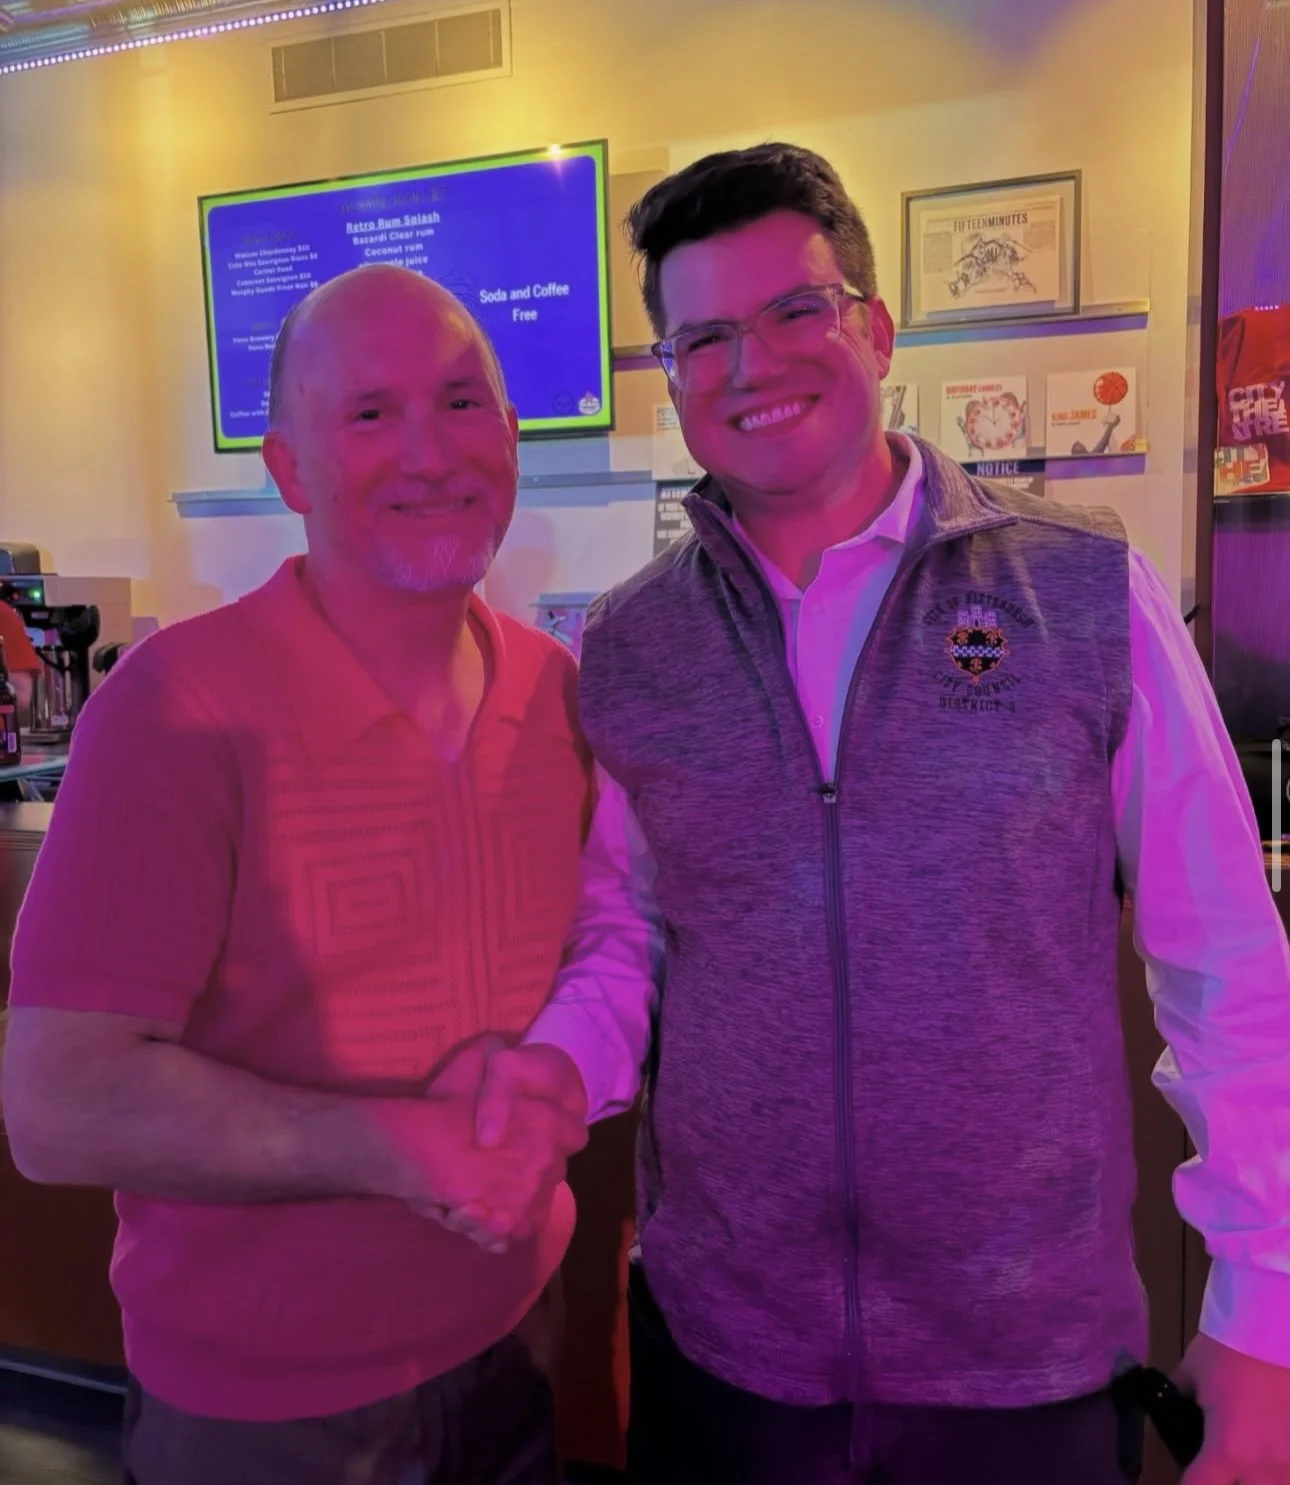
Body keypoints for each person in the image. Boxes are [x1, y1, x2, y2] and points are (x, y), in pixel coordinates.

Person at [467, 145, 1290, 1485]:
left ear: (874, 325)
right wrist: (556, 1064)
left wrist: (1265, 1315)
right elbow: (627, 937)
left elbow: (1229, 970)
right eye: (703, 338)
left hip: (1025, 1370)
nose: (751, 364)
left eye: (795, 310)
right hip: (728, 1365)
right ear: (670, 377)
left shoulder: (1079, 592)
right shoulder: (631, 648)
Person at [1, 264, 592, 1485]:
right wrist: (399, 1147)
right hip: (269, 1413)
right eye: (370, 414)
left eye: (463, 402)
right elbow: (56, 1106)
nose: (431, 452)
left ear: (512, 435)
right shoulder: (173, 713)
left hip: (524, 1341)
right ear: (287, 471)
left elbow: (602, 964)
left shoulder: (559, 695)